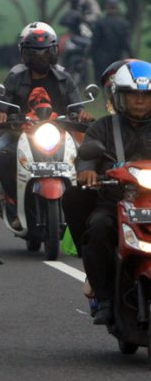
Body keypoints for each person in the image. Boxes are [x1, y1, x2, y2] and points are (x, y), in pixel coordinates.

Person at [0, 26, 93, 227]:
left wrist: (82, 114)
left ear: (54, 52)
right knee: (1, 155)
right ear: (25, 55)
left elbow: (77, 106)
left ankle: (81, 206)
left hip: (58, 132)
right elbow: (2, 104)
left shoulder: (64, 77)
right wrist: (1, 113)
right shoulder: (15, 77)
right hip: (21, 131)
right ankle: (5, 198)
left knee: (84, 156)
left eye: (46, 52)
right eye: (35, 53)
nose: (41, 57)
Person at [75, 59, 151, 324]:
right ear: (119, 97)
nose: (140, 101)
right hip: (115, 202)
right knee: (97, 229)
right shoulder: (103, 127)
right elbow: (86, 155)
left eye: (146, 95)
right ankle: (105, 297)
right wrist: (87, 171)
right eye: (133, 95)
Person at [90, 0, 133, 85]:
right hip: (117, 58)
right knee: (116, 83)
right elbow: (126, 44)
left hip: (101, 59)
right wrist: (132, 57)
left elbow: (94, 43)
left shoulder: (100, 23)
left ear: (106, 7)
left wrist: (90, 56)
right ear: (117, 7)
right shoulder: (123, 24)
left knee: (103, 83)